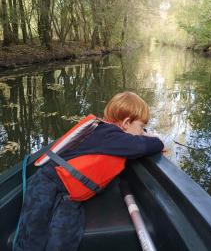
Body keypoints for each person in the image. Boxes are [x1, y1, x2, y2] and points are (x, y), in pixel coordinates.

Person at [15, 91, 164, 251]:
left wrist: (143, 135)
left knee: (66, 234)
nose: (142, 132)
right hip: (47, 182)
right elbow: (142, 146)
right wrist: (158, 140)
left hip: (70, 195)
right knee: (33, 230)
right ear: (126, 122)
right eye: (142, 127)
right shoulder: (109, 135)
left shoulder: (109, 135)